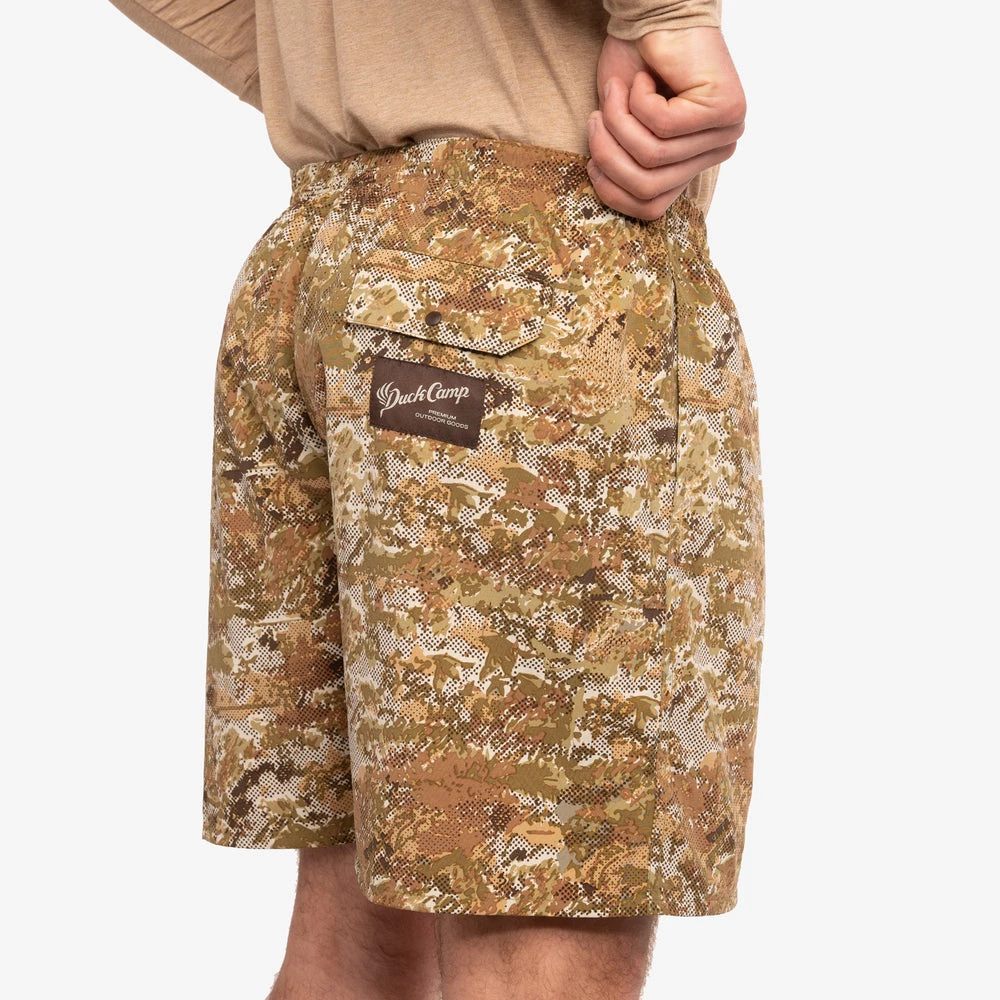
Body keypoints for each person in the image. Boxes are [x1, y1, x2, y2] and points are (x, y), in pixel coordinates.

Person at [107, 3, 764, 998]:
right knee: (539, 891)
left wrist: (328, 56)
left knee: (351, 942)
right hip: (525, 277)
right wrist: (664, 15)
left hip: (328, 261)